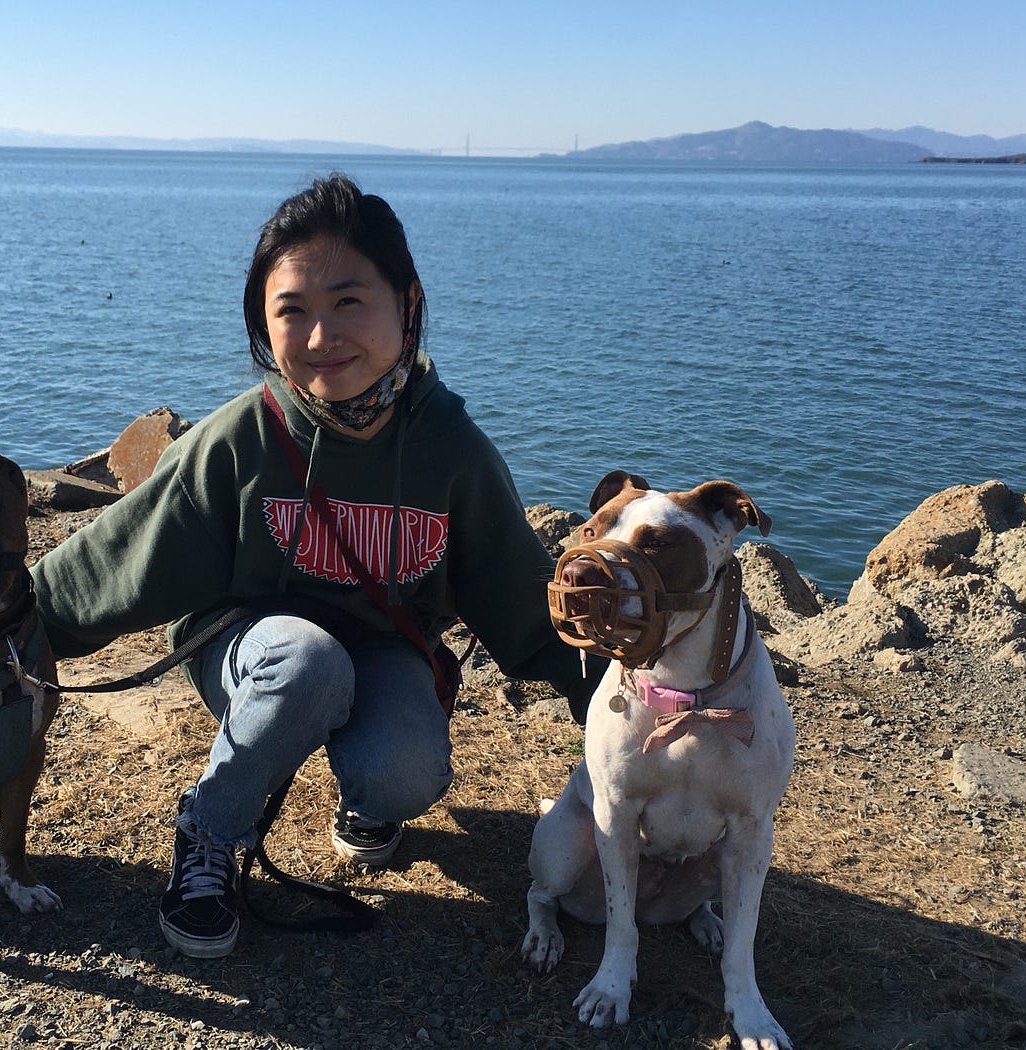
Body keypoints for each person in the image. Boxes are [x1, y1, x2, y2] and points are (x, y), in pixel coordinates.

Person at [31, 174, 603, 959]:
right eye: (291, 311)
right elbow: (115, 558)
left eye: (348, 302)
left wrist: (623, 700)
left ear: (406, 304)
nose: (321, 335)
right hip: (253, 649)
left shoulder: (449, 450)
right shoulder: (243, 439)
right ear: (264, 326)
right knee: (306, 661)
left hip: (384, 650)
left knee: (406, 769)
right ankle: (209, 832)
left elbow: (518, 598)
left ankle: (368, 800)